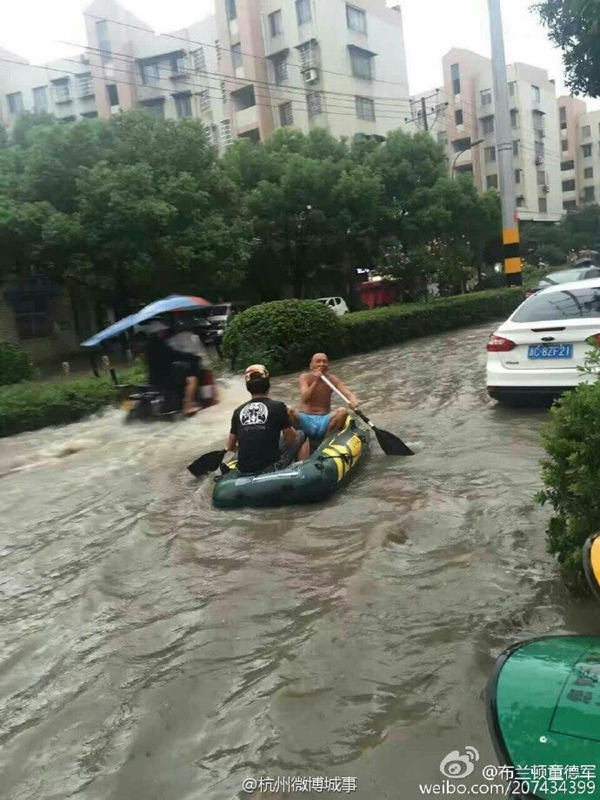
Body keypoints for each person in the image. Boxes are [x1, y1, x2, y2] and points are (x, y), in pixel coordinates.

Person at [226, 364, 306, 475]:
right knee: (301, 434)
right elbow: (291, 440)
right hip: (270, 469)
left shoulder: (238, 411)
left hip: (243, 470)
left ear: (248, 388)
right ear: (268, 385)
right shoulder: (278, 406)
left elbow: (230, 446)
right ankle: (302, 470)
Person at [294, 352, 359, 440]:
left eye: (324, 361)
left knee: (343, 411)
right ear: (311, 365)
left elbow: (348, 394)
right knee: (287, 410)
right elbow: (305, 399)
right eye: (318, 361)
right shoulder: (304, 377)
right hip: (305, 418)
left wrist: (353, 401)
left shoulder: (332, 379)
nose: (322, 364)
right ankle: (293, 441)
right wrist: (316, 380)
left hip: (324, 420)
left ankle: (327, 441)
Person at [143, 320, 201, 415]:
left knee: (182, 368)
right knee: (192, 377)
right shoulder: (161, 345)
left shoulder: (149, 344)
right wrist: (193, 357)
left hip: (153, 377)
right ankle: (188, 405)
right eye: (162, 330)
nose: (164, 332)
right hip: (165, 376)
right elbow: (176, 355)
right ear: (157, 332)